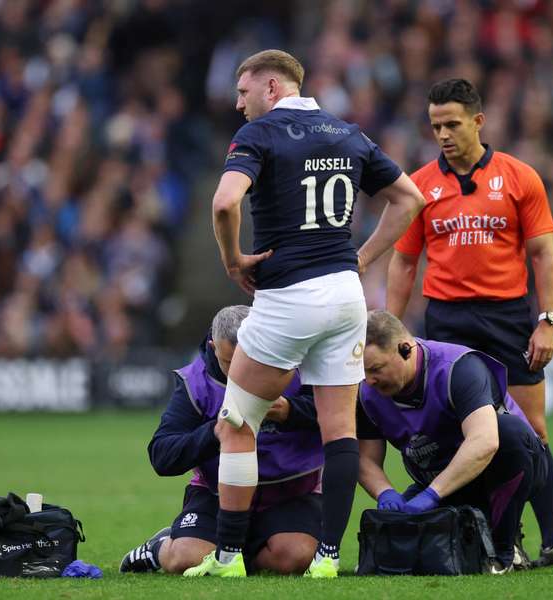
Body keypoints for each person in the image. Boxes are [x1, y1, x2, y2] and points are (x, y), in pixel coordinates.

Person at [197, 49, 424, 578]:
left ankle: (228, 558)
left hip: (288, 297)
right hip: (346, 296)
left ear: (272, 87)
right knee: (339, 432)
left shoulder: (260, 135)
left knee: (236, 423)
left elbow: (224, 203)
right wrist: (360, 259)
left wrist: (233, 260)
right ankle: (328, 558)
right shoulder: (348, 133)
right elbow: (408, 198)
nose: (238, 104)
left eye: (244, 92)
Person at [386, 78, 553, 567]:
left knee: (532, 430)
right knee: (464, 436)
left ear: (478, 121)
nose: (442, 134)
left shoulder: (520, 177)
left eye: (452, 124)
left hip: (507, 317)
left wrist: (547, 321)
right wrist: (392, 328)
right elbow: (403, 263)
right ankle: (499, 536)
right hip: (447, 325)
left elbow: (544, 254)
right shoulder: (418, 187)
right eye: (435, 125)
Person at [120, 305, 324, 576]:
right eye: (230, 362)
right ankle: (159, 546)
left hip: (290, 492)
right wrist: (215, 432)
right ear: (214, 346)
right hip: (216, 494)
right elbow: (162, 456)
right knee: (185, 558)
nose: (242, 372)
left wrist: (290, 411)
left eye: (252, 361)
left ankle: (237, 551)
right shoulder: (194, 383)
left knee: (295, 557)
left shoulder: (302, 365)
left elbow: (342, 415)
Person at [356, 310, 548, 573]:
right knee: (402, 531)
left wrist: (432, 495)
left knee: (507, 431)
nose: (368, 379)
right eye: (362, 370)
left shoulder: (457, 368)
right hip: (442, 480)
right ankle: (479, 535)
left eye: (376, 368)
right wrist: (385, 492)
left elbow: (486, 441)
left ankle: (505, 551)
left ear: (405, 349)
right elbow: (364, 458)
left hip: (511, 463)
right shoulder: (367, 394)